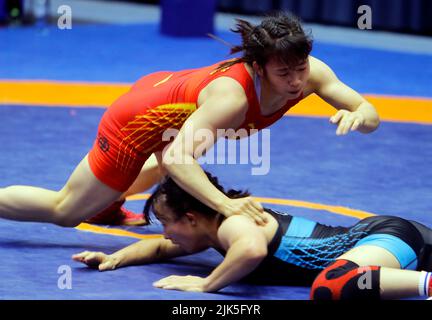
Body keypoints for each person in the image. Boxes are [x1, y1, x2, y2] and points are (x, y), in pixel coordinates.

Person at [0, 12, 379, 230]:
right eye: (284, 73)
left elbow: (370, 114)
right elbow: (180, 159)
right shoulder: (231, 98)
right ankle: (98, 201)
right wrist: (226, 206)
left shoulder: (311, 72)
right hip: (136, 122)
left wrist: (358, 116)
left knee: (170, 160)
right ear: (258, 68)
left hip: (172, 98)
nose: (296, 82)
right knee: (66, 211)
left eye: (300, 68)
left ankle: (108, 202)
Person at [73, 172, 432, 300]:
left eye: (168, 223)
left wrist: (205, 285)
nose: (166, 233)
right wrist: (112, 259)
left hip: (384, 236)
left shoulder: (233, 223)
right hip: (393, 243)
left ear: (192, 217)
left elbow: (252, 250)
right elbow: (158, 249)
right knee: (339, 285)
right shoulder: (213, 231)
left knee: (333, 286)